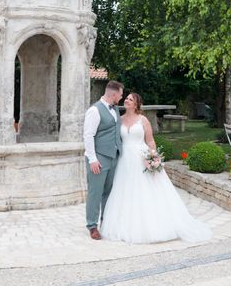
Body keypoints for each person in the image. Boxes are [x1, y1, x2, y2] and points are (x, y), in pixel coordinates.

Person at [100, 92, 212, 244]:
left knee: (146, 190)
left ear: (136, 104)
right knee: (125, 190)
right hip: (125, 159)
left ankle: (155, 226)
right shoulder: (119, 120)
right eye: (126, 98)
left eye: (130, 99)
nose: (126, 100)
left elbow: (150, 141)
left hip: (141, 157)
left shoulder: (143, 120)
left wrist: (153, 157)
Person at [83, 80, 124, 240]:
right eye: (120, 95)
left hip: (114, 157)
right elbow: (88, 135)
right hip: (99, 158)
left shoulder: (115, 110)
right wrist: (92, 159)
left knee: (108, 192)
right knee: (95, 192)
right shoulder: (94, 110)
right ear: (113, 94)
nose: (121, 98)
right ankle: (92, 226)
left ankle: (105, 222)